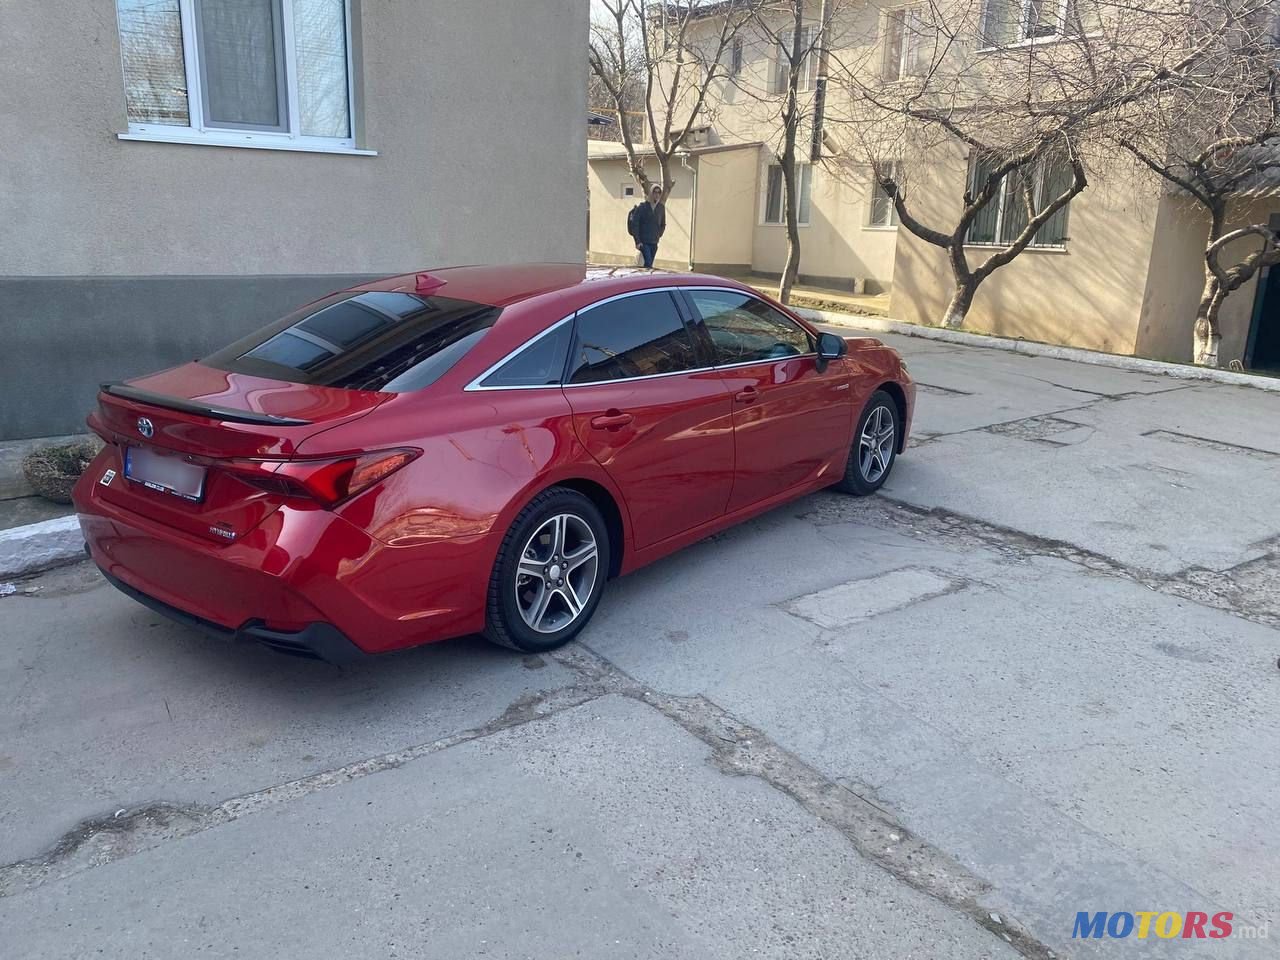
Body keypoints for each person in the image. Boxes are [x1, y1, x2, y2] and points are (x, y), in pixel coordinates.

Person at [626, 184, 666, 269]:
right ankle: (644, 280)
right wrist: (637, 241)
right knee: (648, 262)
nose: (657, 195)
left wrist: (659, 234)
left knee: (649, 264)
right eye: (655, 192)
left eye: (659, 193)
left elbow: (663, 224)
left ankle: (644, 278)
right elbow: (635, 224)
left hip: (654, 242)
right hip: (644, 242)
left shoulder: (661, 208)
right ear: (651, 193)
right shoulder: (642, 207)